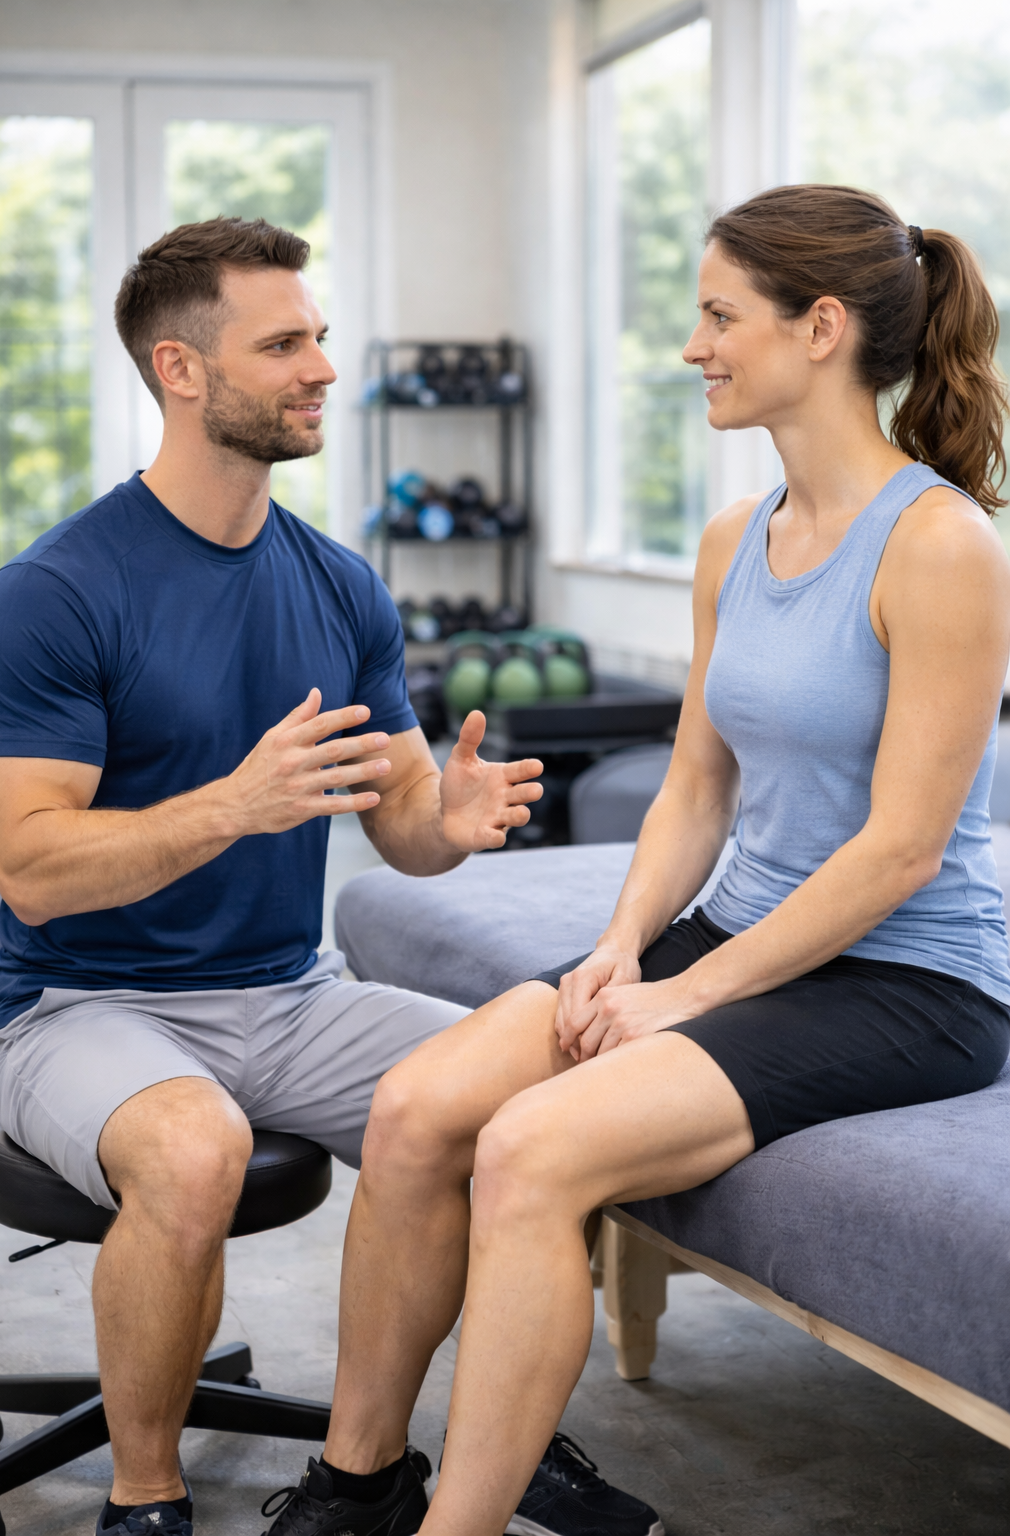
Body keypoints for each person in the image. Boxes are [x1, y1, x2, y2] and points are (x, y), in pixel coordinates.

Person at [264, 184, 1010, 1536]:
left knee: (533, 1150)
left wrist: (684, 998)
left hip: (908, 986)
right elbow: (693, 785)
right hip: (740, 937)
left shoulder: (946, 545)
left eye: (721, 316)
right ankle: (359, 1484)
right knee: (419, 1106)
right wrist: (621, 950)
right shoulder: (739, 538)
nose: (694, 346)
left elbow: (901, 850)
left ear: (822, 328)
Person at [0, 213, 627, 1536]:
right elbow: (36, 872)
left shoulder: (339, 586)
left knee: (534, 1091)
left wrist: (444, 818)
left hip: (289, 992)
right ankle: (145, 1498)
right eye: (284, 343)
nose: (321, 365)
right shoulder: (55, 592)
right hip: (77, 1002)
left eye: (320, 336)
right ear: (180, 368)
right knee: (193, 1143)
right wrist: (231, 806)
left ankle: (373, 1469)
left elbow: (396, 824)